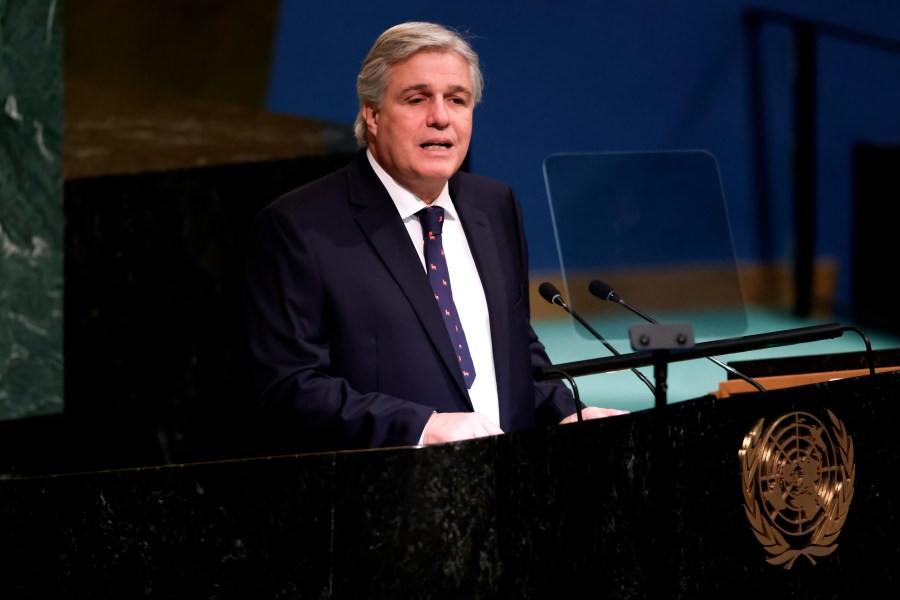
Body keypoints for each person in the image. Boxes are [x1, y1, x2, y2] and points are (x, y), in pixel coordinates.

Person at [244, 21, 626, 453]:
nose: (440, 117)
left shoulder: (495, 205)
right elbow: (289, 387)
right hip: (386, 494)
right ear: (372, 113)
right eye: (417, 98)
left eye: (457, 100)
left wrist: (566, 411)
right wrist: (422, 428)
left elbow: (513, 347)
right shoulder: (299, 226)